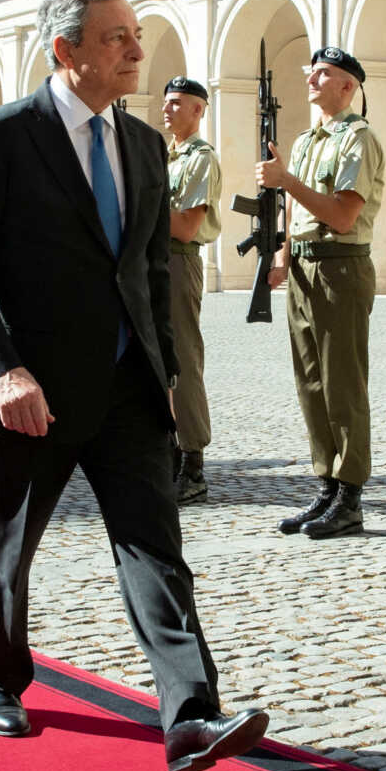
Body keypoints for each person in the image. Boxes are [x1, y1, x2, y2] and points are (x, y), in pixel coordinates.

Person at [0, 0, 269, 771]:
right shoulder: (6, 135)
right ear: (66, 50)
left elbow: (151, 269)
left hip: (128, 389)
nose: (135, 48)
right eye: (116, 36)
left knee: (156, 548)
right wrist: (1, 370)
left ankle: (190, 714)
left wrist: (166, 369)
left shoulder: (146, 145)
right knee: (9, 546)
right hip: (32, 393)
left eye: (136, 32)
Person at [261, 47, 386, 540]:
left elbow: (342, 214)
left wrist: (286, 179)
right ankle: (327, 484)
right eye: (311, 73)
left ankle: (350, 494)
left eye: (324, 74)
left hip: (341, 267)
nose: (312, 80)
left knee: (343, 385)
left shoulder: (358, 139)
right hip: (305, 268)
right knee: (311, 383)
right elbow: (299, 213)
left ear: (348, 87)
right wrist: (282, 254)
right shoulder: (308, 139)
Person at [162, 76, 222, 503]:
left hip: (177, 263)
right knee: (154, 363)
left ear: (199, 110)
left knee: (182, 359)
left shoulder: (200, 159)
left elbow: (185, 226)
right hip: (150, 264)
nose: (167, 110)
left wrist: (141, 202)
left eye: (178, 103)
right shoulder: (165, 157)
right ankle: (165, 454)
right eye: (166, 102)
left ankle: (194, 463)